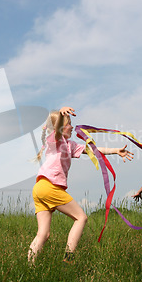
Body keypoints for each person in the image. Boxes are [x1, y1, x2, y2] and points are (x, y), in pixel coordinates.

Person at [28, 106, 133, 264]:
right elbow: (53, 127)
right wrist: (61, 111)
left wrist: (116, 150)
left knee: (43, 234)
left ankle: (30, 265)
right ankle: (68, 258)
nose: (72, 126)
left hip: (40, 188)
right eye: (69, 123)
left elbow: (93, 150)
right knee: (81, 217)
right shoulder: (55, 141)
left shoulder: (70, 145)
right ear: (61, 128)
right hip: (50, 186)